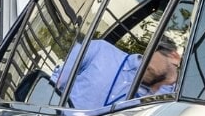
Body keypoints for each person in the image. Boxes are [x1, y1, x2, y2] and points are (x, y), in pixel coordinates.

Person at [51, 34, 182, 111]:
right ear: (173, 55)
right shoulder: (99, 50)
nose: (155, 88)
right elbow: (53, 85)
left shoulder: (173, 100)